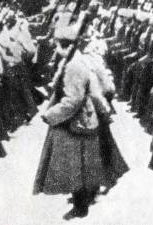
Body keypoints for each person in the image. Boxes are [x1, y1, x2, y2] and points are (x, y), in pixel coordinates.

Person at [33, 24, 128, 220]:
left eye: (58, 45)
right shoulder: (76, 61)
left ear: (67, 46)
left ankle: (80, 205)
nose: (55, 48)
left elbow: (73, 100)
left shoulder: (73, 66)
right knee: (84, 163)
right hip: (83, 118)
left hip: (75, 120)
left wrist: (50, 115)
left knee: (74, 165)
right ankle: (84, 197)